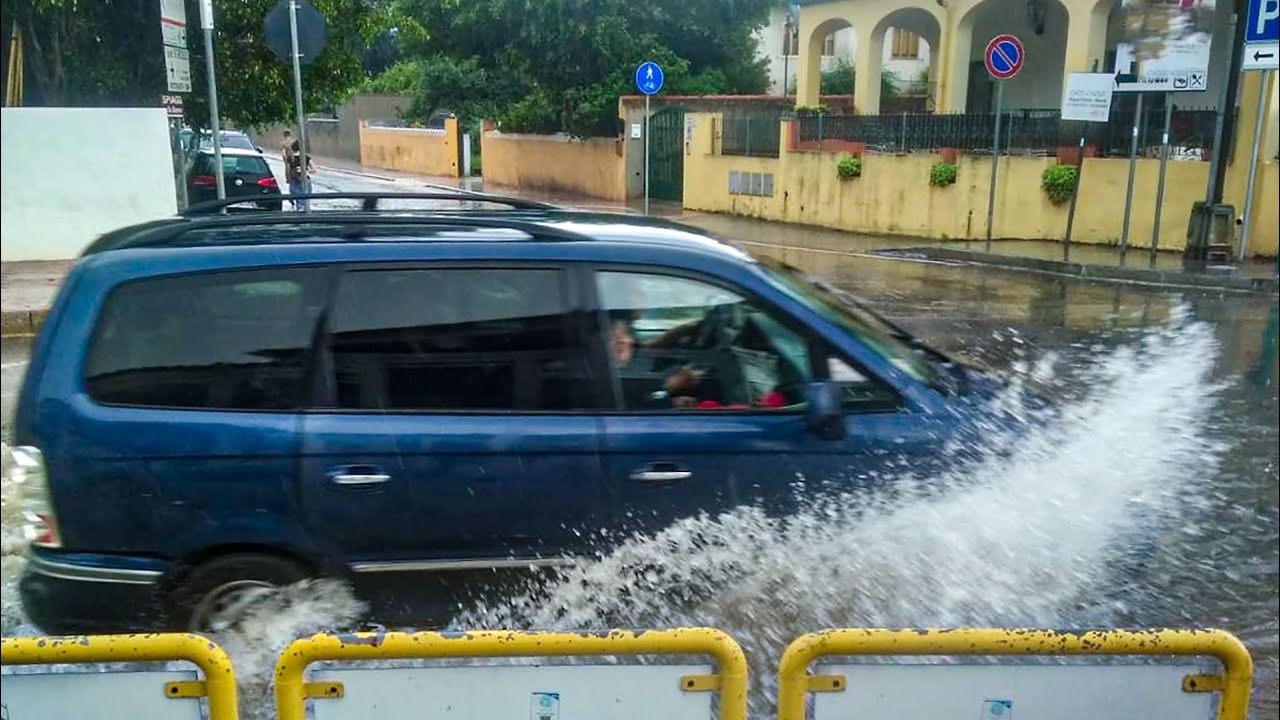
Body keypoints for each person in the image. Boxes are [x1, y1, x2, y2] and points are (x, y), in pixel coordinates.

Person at [282, 132, 315, 212]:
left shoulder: (291, 159)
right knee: (306, 201)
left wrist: (288, 179)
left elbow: (288, 170)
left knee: (298, 202)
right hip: (306, 180)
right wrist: (306, 171)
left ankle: (300, 217)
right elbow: (314, 168)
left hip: (294, 181)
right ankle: (307, 215)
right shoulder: (306, 157)